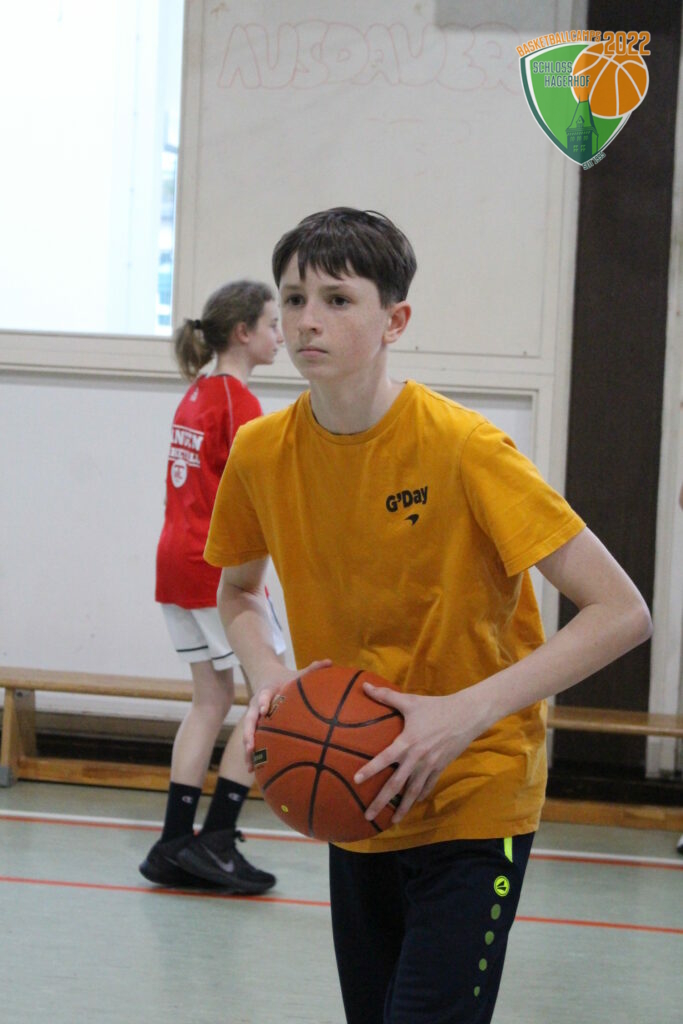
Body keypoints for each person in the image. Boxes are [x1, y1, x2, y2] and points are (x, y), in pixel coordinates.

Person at [203, 209, 653, 1022]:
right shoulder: (261, 453)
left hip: (472, 789)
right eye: (294, 298)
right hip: (355, 789)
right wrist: (270, 678)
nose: (307, 320)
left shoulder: (463, 447)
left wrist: (462, 713)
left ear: (395, 321)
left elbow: (620, 611)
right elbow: (236, 590)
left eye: (338, 299)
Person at [139, 279, 286, 894]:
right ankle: (218, 840)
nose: (282, 335)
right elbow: (261, 500)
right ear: (243, 333)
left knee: (210, 700)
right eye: (273, 323)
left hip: (173, 560)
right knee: (270, 701)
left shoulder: (198, 391)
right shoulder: (239, 403)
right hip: (213, 570)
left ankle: (175, 843)